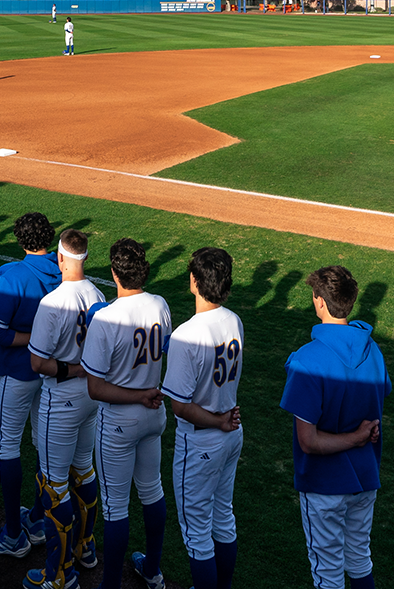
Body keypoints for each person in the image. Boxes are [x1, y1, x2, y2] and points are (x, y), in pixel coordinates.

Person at [282, 266, 389, 589]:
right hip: (365, 479)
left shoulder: (306, 361)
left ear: (320, 302)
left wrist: (355, 437)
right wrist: (362, 435)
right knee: (359, 559)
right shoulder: (374, 351)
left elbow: (308, 441)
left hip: (323, 485)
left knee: (327, 573)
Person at [83, 237, 173, 589]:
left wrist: (138, 394)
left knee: (116, 507)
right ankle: (152, 571)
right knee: (152, 491)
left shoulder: (106, 318)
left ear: (113, 274)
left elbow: (95, 388)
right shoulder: (161, 305)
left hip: (119, 421)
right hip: (154, 416)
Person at [26, 228, 107, 589]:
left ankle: (59, 575)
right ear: (85, 258)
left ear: (59, 258)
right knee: (84, 472)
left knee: (53, 485)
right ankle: (85, 548)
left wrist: (73, 368)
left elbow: (37, 364)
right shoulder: (99, 295)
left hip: (60, 401)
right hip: (91, 398)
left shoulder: (53, 302)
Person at [0, 212, 63, 559]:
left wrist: (32, 339)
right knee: (44, 448)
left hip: (17, 374)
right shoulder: (65, 275)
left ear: (19, 239)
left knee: (7, 448)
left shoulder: (13, 275)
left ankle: (13, 533)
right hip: (51, 377)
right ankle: (39, 519)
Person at [163, 247, 244, 589]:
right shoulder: (234, 320)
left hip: (202, 440)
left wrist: (217, 421)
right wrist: (224, 420)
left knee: (197, 534)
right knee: (223, 518)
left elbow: (180, 406)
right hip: (231, 435)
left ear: (194, 282)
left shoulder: (187, 334)